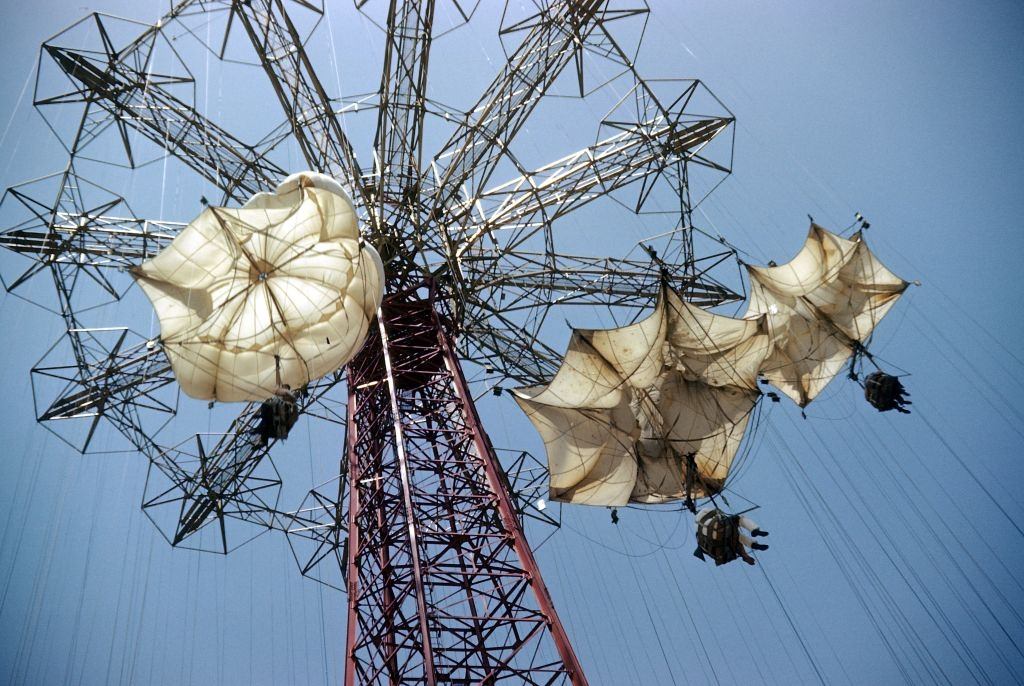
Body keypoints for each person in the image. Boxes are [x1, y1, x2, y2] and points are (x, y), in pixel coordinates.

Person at [693, 507, 769, 566]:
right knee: (739, 519)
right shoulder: (703, 514)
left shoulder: (708, 547)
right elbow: (717, 512)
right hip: (716, 527)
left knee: (738, 537)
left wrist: (745, 556)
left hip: (716, 536)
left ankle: (754, 545)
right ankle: (754, 530)